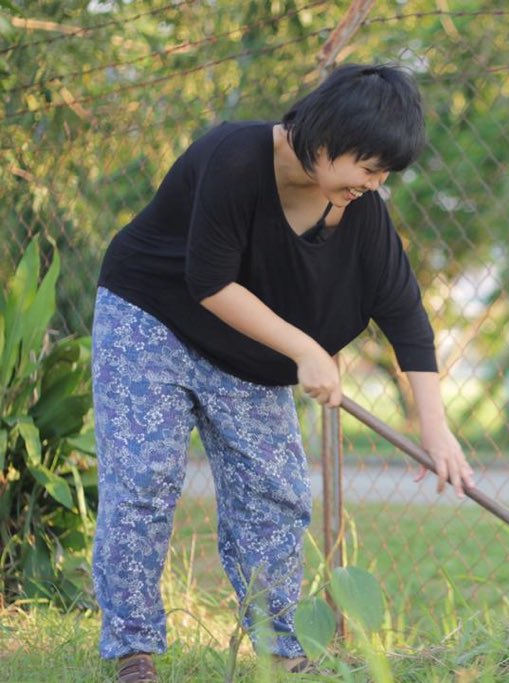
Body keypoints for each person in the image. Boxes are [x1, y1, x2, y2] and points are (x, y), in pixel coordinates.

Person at [91, 64, 475, 683]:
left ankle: (281, 650)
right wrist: (306, 350)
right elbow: (210, 282)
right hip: (152, 319)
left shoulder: (364, 215)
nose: (373, 184)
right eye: (367, 167)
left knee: (275, 496)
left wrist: (435, 430)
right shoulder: (235, 158)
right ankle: (133, 652)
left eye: (383, 174)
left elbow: (406, 318)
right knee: (144, 479)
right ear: (325, 136)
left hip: (248, 354)